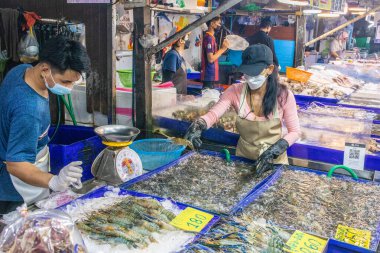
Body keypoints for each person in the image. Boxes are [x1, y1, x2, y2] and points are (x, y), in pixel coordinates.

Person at [0, 36, 91, 214]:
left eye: (74, 82)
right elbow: (16, 164)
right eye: (66, 82)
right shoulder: (28, 110)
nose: (70, 88)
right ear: (44, 69)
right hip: (15, 188)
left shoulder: (22, 70)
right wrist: (54, 181)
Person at [185, 44, 300, 176]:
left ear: (269, 69)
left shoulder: (283, 96)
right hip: (243, 161)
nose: (250, 77)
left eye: (255, 72)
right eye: (247, 72)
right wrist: (199, 124)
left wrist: (274, 151)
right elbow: (213, 115)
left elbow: (295, 131)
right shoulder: (235, 91)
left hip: (274, 162)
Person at [201, 16, 230, 90]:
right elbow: (210, 59)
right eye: (218, 23)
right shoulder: (209, 38)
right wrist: (223, 49)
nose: (220, 26)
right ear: (212, 23)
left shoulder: (212, 38)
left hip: (211, 75)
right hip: (208, 75)